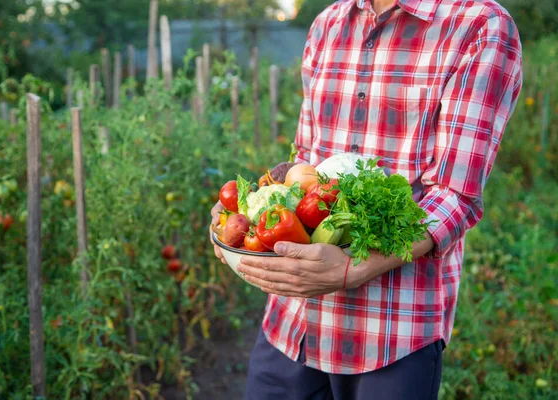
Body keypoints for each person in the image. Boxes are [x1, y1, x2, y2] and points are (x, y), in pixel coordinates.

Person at [210, 0, 522, 398]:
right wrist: (245, 210)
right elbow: (306, 164)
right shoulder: (328, 24)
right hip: (292, 324)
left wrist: (354, 268)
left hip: (391, 332)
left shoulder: (479, 26)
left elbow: (454, 195)